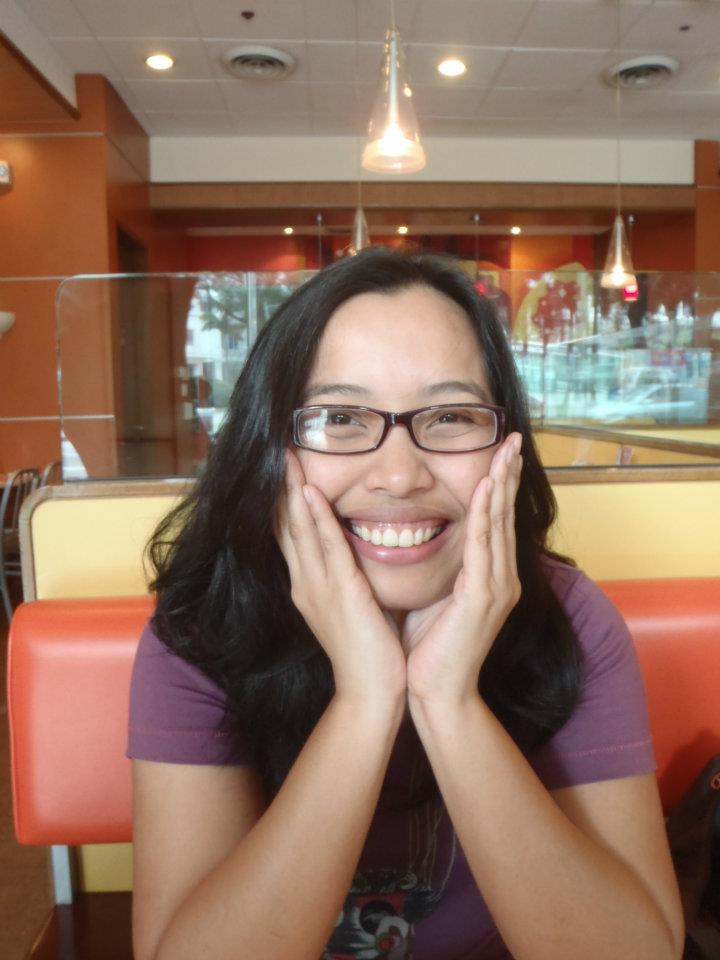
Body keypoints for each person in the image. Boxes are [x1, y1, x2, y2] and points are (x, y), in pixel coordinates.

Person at [128, 248, 684, 960]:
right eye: (340, 417)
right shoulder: (203, 627)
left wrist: (448, 700)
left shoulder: (571, 621)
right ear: (268, 443)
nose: (398, 475)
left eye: (450, 415)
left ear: (508, 446)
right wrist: (366, 699)